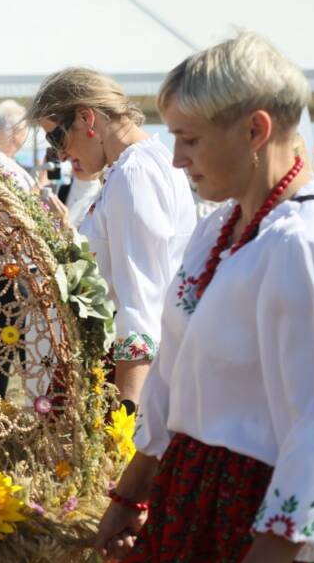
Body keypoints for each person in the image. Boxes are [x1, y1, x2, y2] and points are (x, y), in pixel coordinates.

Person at [96, 32, 314, 563]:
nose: (177, 159)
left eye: (191, 140)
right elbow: (173, 377)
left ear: (256, 129)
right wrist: (131, 494)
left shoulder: (305, 243)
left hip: (258, 521)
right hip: (193, 492)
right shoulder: (218, 232)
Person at [27, 69, 195, 406]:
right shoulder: (141, 163)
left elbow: (141, 306)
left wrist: (124, 424)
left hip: (132, 381)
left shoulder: (134, 174)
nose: (59, 155)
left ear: (87, 118)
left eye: (57, 138)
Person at [0, 99, 38, 192]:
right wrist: (42, 181)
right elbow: (23, 200)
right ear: (16, 132)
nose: (25, 135)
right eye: (24, 130)